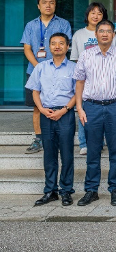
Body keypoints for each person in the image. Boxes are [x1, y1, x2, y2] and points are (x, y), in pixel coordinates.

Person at [74, 20, 116, 207]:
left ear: (113, 34)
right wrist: (79, 107)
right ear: (96, 34)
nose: (105, 34)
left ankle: (115, 189)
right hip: (91, 107)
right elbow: (79, 82)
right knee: (93, 151)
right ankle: (91, 190)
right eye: (101, 31)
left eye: (109, 31)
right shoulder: (86, 55)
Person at [26, 33, 77, 207]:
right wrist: (41, 109)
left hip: (65, 114)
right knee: (49, 154)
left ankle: (66, 191)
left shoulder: (73, 68)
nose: (57, 46)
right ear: (49, 47)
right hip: (46, 113)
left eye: (61, 43)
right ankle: (50, 191)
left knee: (67, 154)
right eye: (53, 43)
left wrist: (64, 110)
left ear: (67, 46)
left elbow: (77, 93)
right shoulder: (41, 67)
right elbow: (35, 90)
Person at [20, 0, 72, 155]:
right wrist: (39, 68)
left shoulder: (63, 24)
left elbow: (66, 46)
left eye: (51, 2)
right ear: (38, 6)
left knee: (59, 103)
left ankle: (57, 137)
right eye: (44, 2)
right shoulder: (31, 25)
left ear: (55, 5)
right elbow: (27, 48)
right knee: (38, 106)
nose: (48, 5)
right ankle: (38, 139)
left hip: (59, 70)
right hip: (35, 70)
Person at [70, 2, 116, 156]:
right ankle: (84, 143)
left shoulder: (110, 34)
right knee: (84, 110)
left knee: (102, 112)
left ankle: (100, 142)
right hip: (85, 79)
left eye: (99, 13)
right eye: (93, 13)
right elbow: (75, 59)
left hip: (106, 80)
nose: (96, 16)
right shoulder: (79, 35)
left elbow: (114, 55)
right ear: (87, 15)